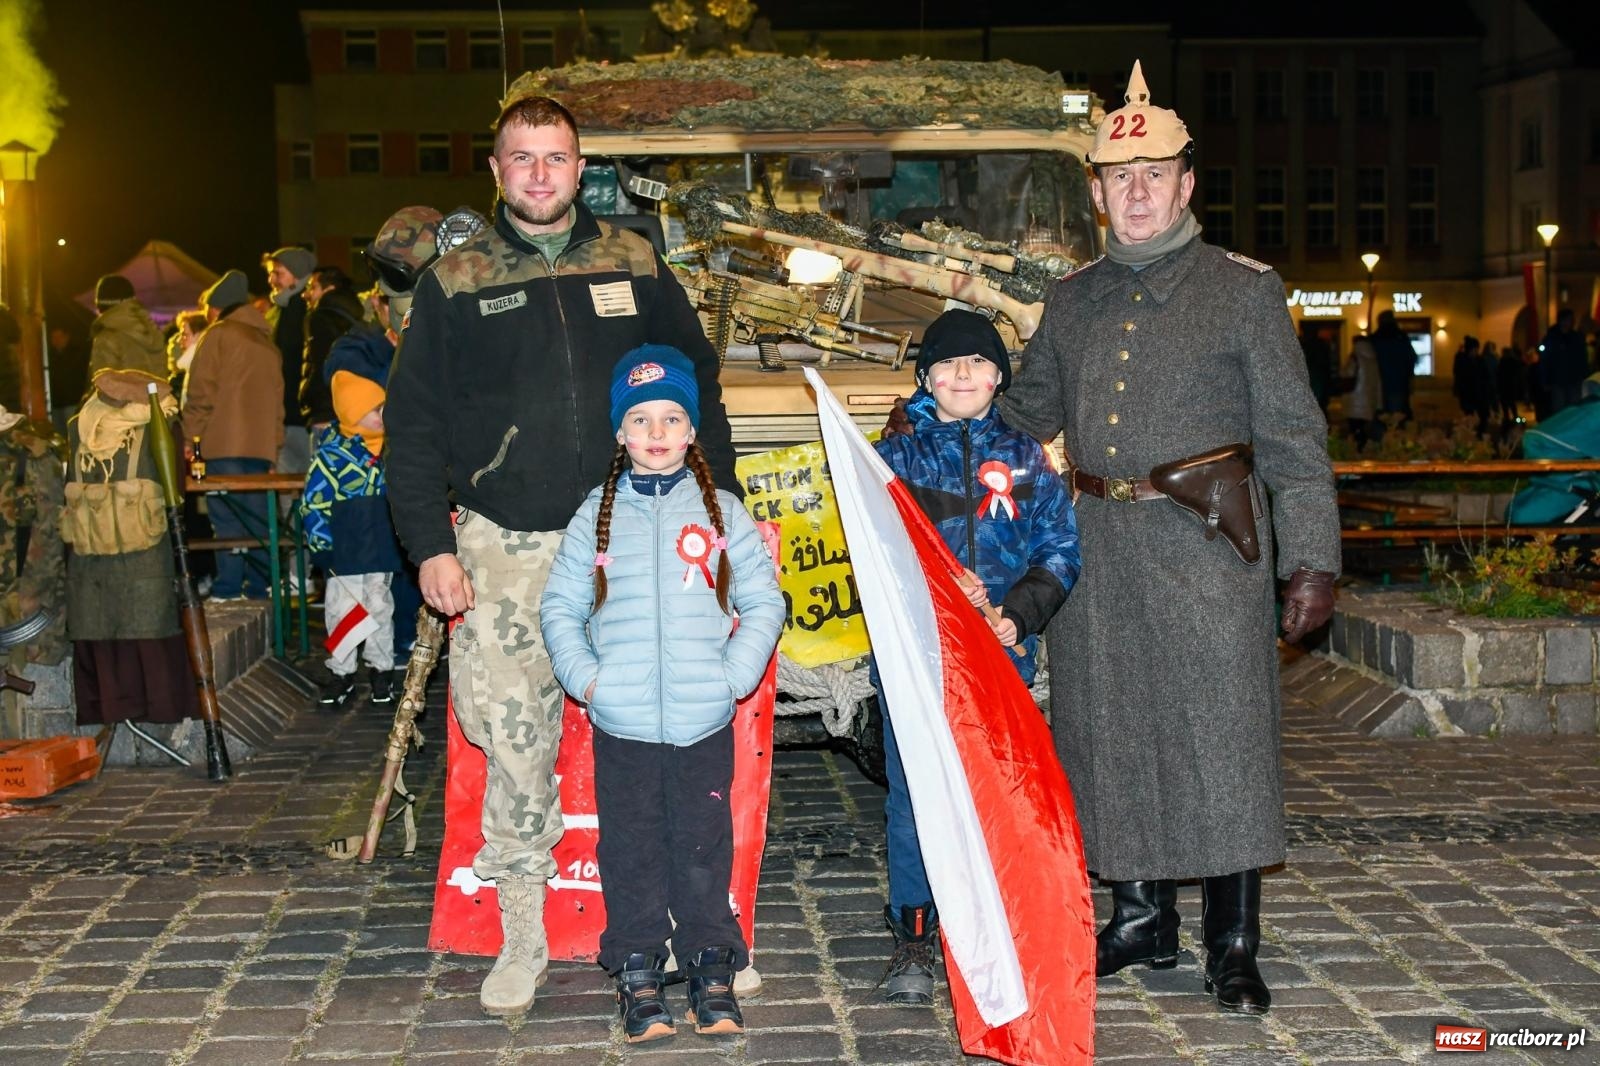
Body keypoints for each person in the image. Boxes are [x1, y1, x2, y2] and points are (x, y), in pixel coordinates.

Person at [996, 61, 1340, 1015]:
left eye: (1155, 175)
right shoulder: (1072, 300)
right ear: (1097, 192)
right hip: (1098, 548)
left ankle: (1232, 939)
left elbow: (1292, 435)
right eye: (1118, 178)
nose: (1136, 191)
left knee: (1219, 738)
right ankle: (1140, 916)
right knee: (1107, 734)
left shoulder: (1242, 291)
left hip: (1207, 546)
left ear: (1187, 185)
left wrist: (1312, 557)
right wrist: (938, 409)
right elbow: (1021, 417)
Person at [384, 94, 736, 1018]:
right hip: (507, 547)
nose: (540, 174)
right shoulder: (453, 280)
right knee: (513, 739)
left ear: (582, 169)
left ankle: (700, 932)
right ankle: (523, 935)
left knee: (679, 727)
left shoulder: (631, 259)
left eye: (557, 158)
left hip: (638, 534)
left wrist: (723, 504)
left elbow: (696, 381)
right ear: (496, 171)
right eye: (522, 158)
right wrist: (430, 544)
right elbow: (413, 425)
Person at [540, 347, 783, 1042]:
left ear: (690, 430)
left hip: (702, 715)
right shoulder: (596, 514)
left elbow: (764, 603)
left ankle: (712, 968)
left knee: (704, 845)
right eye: (640, 418)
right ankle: (640, 973)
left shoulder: (721, 511)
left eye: (671, 417)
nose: (655, 431)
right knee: (634, 848)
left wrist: (733, 677)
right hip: (623, 719)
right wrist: (588, 680)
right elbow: (560, 606)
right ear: (620, 431)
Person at [870, 309, 1080, 1006]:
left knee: (997, 791)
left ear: (998, 377)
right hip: (919, 655)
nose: (963, 375)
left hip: (999, 658)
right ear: (926, 376)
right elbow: (874, 546)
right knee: (916, 798)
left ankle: (996, 922)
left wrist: (1016, 616)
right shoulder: (896, 455)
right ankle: (915, 930)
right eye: (947, 364)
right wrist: (932, 599)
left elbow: (1059, 548)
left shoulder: (1025, 459)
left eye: (977, 364)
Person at [65, 369, 201, 727]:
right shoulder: (160, 422)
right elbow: (177, 495)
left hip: (90, 565)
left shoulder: (78, 426)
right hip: (147, 561)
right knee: (151, 633)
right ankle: (161, 711)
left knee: (102, 628)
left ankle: (110, 713)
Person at [300, 284, 402, 710]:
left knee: (381, 609)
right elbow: (315, 502)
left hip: (379, 548)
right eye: (373, 411)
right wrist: (321, 543)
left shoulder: (391, 451)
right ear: (350, 414)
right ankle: (341, 670)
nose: (381, 416)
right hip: (345, 550)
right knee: (343, 612)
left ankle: (381, 670)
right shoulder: (333, 456)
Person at [182, 268, 285, 601]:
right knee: (256, 519)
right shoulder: (267, 344)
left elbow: (201, 393)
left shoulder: (217, 335)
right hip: (260, 451)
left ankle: (227, 588)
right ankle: (259, 585)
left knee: (225, 521)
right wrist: (273, 448)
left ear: (215, 309)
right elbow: (278, 405)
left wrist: (190, 439)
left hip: (220, 446)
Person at [262, 246, 315, 474]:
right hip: (288, 416)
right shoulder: (282, 308)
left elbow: (292, 365)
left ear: (298, 274)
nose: (272, 279)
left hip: (297, 417)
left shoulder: (301, 310)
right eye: (271, 273)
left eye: (279, 273)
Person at [300, 265, 366, 436]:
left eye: (312, 287)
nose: (306, 294)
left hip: (325, 411)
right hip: (352, 409)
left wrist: (306, 397)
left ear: (329, 289)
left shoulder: (319, 318)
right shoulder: (356, 317)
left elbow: (318, 364)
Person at [87, 275, 167, 382]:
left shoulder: (107, 337)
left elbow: (104, 386)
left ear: (100, 304)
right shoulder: (151, 330)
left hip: (126, 398)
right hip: (159, 397)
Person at [1540, 309, 1588, 416]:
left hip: (1574, 378)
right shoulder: (1551, 338)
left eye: (1570, 320)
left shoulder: (1576, 338)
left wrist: (1584, 375)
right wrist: (1545, 380)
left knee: (1574, 409)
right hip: (1558, 380)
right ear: (1561, 320)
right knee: (1559, 410)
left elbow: (1582, 358)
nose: (1569, 322)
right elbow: (1545, 361)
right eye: (1567, 320)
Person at [1370, 310, 1415, 425]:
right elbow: (1412, 358)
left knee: (1381, 419)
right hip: (1398, 384)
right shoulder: (1401, 338)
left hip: (1379, 385)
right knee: (1397, 419)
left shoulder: (1375, 339)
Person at [1342, 332, 1382, 450]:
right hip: (1369, 402)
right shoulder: (1374, 359)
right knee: (1364, 431)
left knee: (1354, 430)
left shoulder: (1355, 358)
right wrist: (1378, 403)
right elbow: (1378, 383)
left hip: (1354, 402)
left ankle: (1357, 452)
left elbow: (1346, 374)